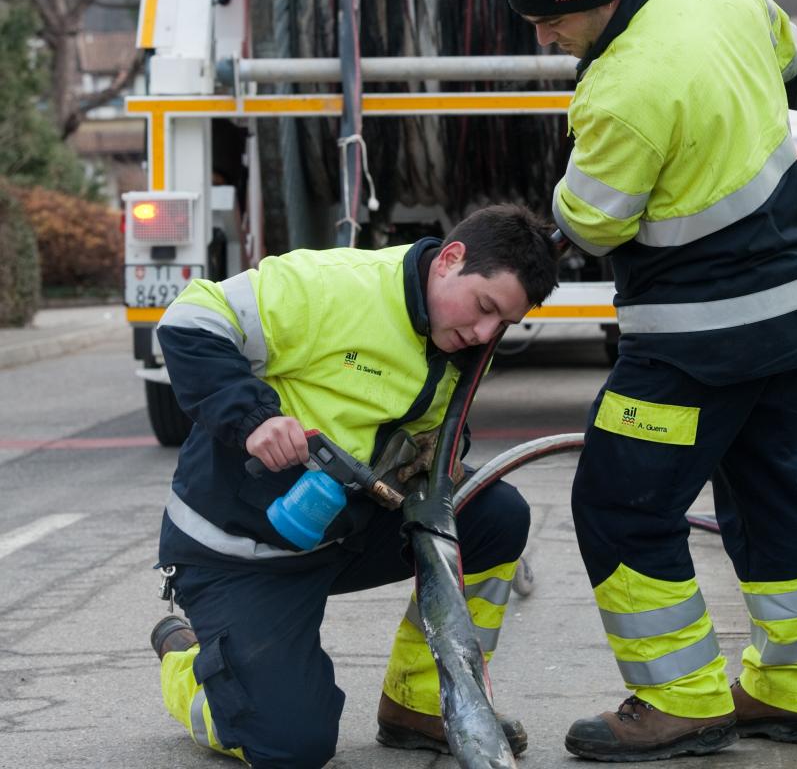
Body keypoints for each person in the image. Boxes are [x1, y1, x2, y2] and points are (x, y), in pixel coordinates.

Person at [504, 0, 797, 762]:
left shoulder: (623, 91)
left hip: (699, 343)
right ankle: (792, 690)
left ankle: (681, 700)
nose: (545, 38)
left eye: (551, 20)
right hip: (792, 315)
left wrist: (548, 212)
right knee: (769, 496)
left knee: (619, 505)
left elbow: (593, 223)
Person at [148, 203, 558, 769]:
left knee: (495, 514)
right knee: (291, 747)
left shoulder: (464, 340)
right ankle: (192, 662)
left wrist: (434, 455)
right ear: (450, 259)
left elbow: (427, 425)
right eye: (485, 307)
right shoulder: (333, 287)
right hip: (241, 551)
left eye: (503, 323)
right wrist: (253, 418)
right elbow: (190, 320)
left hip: (340, 531)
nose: (485, 333)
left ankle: (420, 703)